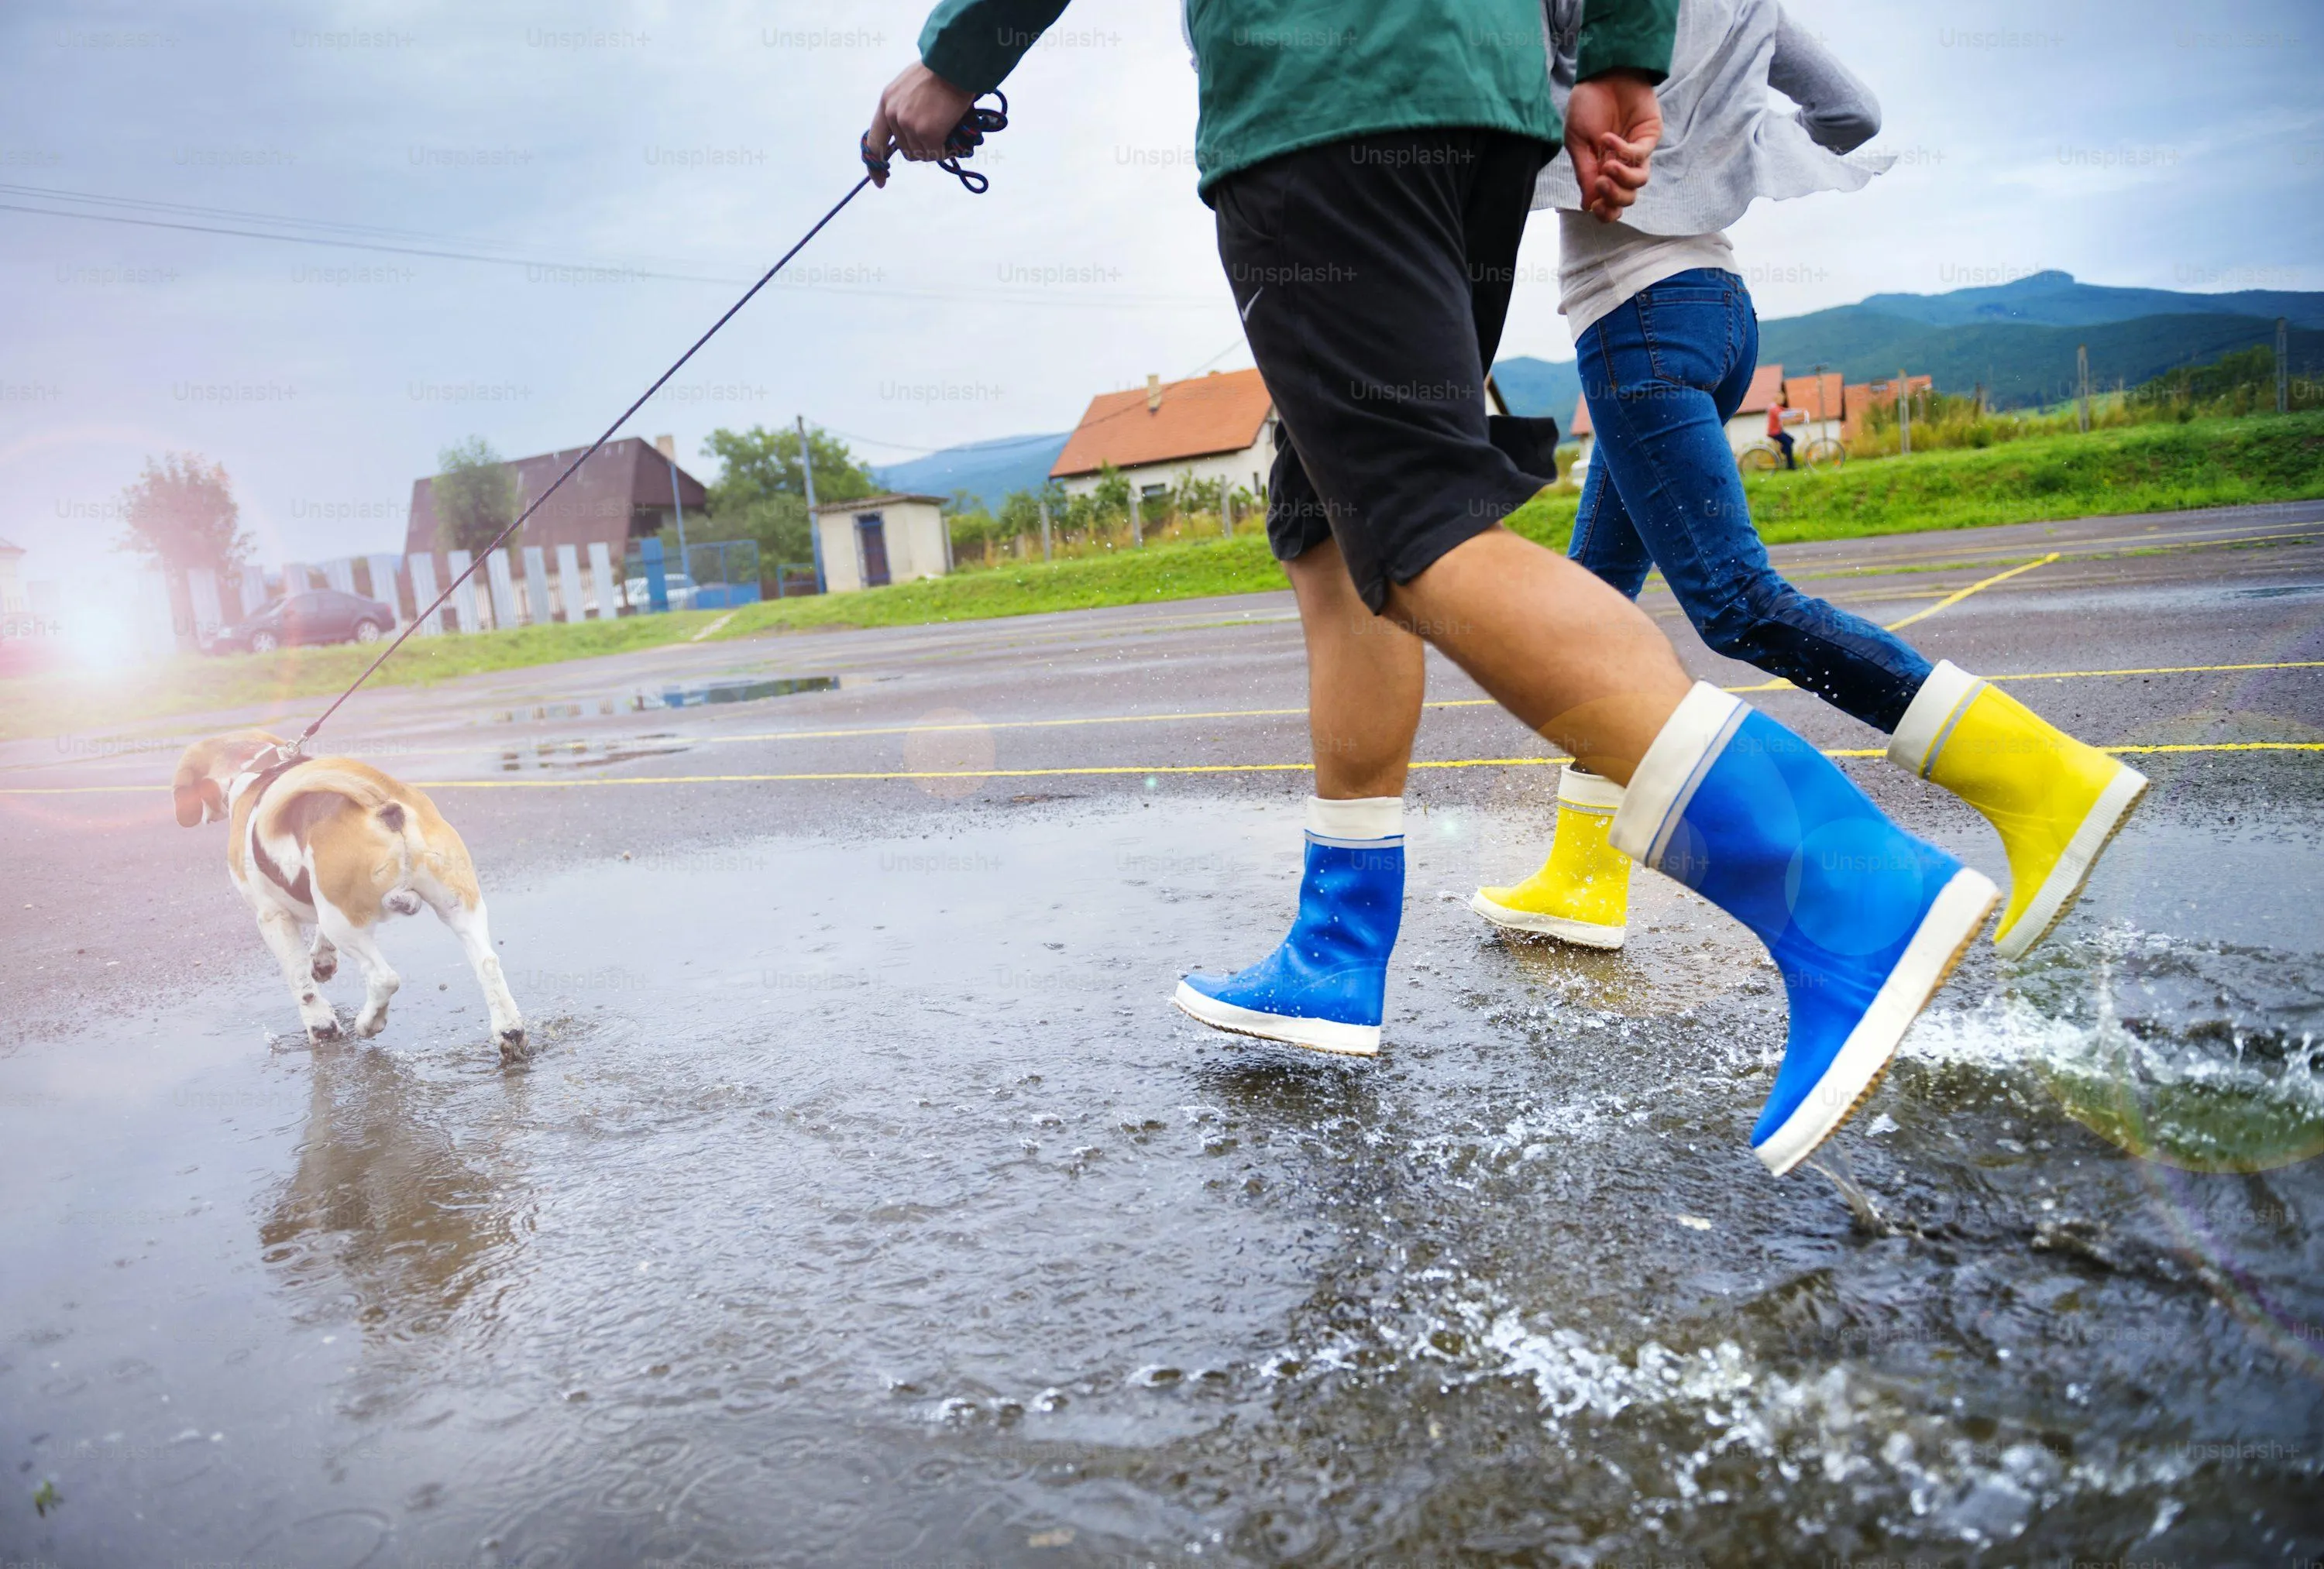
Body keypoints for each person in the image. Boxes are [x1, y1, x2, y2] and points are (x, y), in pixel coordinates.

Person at [867, 0, 2003, 1177]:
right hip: (1476, 102)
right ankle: (1337, 944)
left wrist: (958, 59)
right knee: (1330, 522)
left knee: (1415, 524)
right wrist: (1617, 54)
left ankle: (1848, 892)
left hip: (1327, 87)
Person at [1470, 0, 2144, 968]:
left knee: (1737, 604)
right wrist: (1725, 152)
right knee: (1592, 604)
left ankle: (2044, 780)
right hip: (1719, 312)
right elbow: (1854, 114)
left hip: (1636, 326)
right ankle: (1581, 877)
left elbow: (1494, 115)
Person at [1770, 388, 1798, 469]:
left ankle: (1784, 452)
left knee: (1791, 440)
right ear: (1777, 398)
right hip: (1774, 432)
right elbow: (1782, 414)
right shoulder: (1773, 407)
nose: (1783, 400)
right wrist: (1794, 414)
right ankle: (1791, 466)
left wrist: (1798, 412)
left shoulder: (1777, 407)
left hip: (1778, 431)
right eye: (1781, 399)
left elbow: (1787, 410)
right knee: (1789, 444)